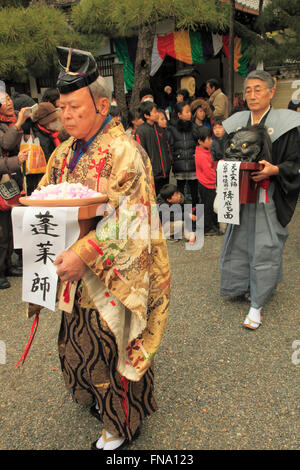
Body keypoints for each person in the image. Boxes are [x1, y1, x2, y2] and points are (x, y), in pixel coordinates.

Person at [28, 46, 170, 450]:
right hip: (73, 278)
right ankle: (96, 400)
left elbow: (135, 218)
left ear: (102, 104)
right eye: (63, 108)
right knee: (76, 346)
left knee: (111, 350)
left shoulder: (124, 150)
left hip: (110, 278)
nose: (67, 114)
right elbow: (44, 201)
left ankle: (122, 423)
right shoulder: (64, 152)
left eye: (75, 106)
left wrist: (83, 253)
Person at [220, 69, 300, 330]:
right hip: (240, 196)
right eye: (248, 90)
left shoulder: (287, 125)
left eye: (258, 89)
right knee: (240, 242)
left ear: (271, 92)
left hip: (267, 195)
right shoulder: (236, 123)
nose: (252, 95)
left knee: (265, 246)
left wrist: (274, 170)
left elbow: (294, 162)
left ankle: (258, 304)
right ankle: (244, 286)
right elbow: (219, 154)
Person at [0, 89, 30, 288]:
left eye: (10, 98)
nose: (9, 102)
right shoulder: (8, 124)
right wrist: (14, 161)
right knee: (1, 231)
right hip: (3, 179)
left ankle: (7, 264)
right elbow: (6, 143)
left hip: (9, 182)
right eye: (5, 100)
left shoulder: (7, 122)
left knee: (10, 227)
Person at [24, 102, 62, 195]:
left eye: (55, 119)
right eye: (51, 121)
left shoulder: (53, 134)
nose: (55, 122)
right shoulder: (39, 139)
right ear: (42, 122)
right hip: (41, 182)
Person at [135, 101, 171, 196]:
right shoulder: (141, 131)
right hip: (152, 174)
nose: (157, 114)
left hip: (165, 172)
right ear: (147, 115)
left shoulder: (159, 128)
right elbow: (141, 154)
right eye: (154, 112)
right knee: (155, 200)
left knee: (166, 200)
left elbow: (166, 147)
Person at [168, 101, 199, 212]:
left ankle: (197, 218)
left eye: (189, 112)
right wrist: (173, 160)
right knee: (180, 194)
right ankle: (181, 215)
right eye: (186, 112)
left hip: (193, 164)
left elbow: (197, 143)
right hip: (179, 165)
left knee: (195, 193)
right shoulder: (173, 128)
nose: (189, 114)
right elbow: (171, 146)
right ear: (179, 114)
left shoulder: (194, 127)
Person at [193, 126, 219, 236]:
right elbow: (209, 172)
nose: (211, 141)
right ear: (200, 141)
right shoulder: (202, 155)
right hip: (207, 184)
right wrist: (217, 180)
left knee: (207, 206)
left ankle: (210, 225)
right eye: (208, 139)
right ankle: (206, 228)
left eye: (211, 138)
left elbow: (210, 166)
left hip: (206, 183)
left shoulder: (204, 150)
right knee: (207, 207)